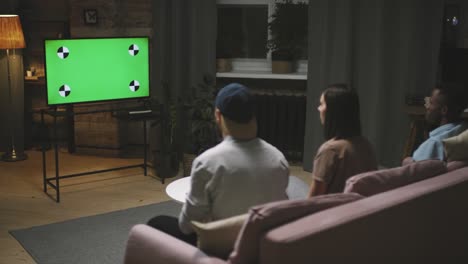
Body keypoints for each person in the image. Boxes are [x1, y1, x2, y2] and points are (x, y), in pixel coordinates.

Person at [147, 83, 289, 244]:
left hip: (220, 249)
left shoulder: (207, 162)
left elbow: (187, 226)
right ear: (253, 115)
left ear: (218, 115)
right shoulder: (278, 159)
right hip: (261, 247)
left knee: (156, 223)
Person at [309, 84, 377, 197]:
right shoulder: (366, 145)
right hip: (356, 208)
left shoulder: (330, 150)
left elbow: (312, 200)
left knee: (292, 183)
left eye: (322, 104)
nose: (318, 108)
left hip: (330, 211)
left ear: (333, 111)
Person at [410, 83, 468, 162]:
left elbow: (413, 170)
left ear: (444, 110)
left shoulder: (434, 144)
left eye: (430, 103)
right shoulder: (464, 133)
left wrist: (407, 161)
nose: (427, 107)